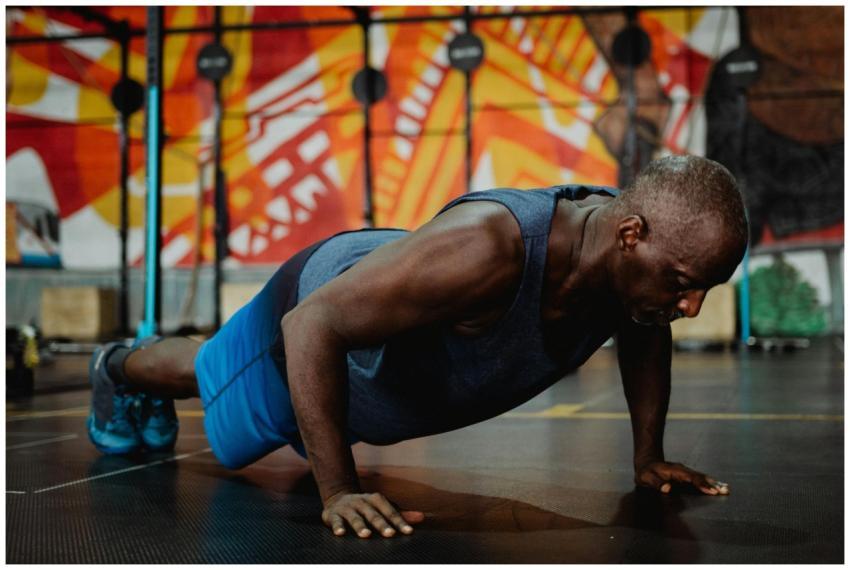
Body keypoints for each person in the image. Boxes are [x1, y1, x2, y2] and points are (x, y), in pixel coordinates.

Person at [87, 155, 747, 539]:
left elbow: (643, 331)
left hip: (376, 333)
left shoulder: (629, 270)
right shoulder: (493, 245)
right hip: (313, 318)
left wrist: (648, 454)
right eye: (686, 285)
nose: (691, 307)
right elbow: (310, 327)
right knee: (209, 378)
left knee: (228, 385)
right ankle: (116, 367)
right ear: (631, 233)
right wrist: (338, 489)